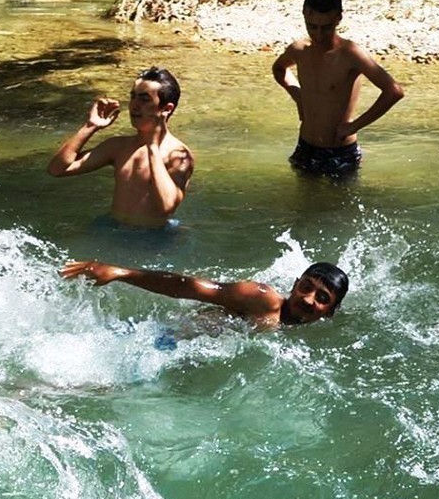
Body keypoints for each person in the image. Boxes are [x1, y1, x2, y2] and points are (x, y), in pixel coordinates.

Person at [271, 0, 405, 177]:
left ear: (338, 18)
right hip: (306, 145)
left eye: (326, 28)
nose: (318, 35)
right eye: (312, 27)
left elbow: (394, 91)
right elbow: (279, 69)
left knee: (339, 206)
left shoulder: (350, 53)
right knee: (302, 204)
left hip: (340, 150)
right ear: (304, 15)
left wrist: (354, 125)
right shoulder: (299, 50)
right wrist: (298, 96)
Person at [46, 66, 195, 228]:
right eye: (133, 97)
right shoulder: (118, 147)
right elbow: (57, 170)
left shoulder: (178, 155)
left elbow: (167, 207)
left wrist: (152, 147)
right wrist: (90, 126)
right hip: (112, 229)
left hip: (152, 240)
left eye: (144, 99)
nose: (134, 105)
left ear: (166, 109)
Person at [59, 258, 348, 328]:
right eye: (306, 287)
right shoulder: (262, 298)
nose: (309, 299)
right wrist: (121, 273)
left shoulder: (299, 325)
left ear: (332, 311)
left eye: (322, 298)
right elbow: (189, 287)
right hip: (165, 343)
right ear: (296, 284)